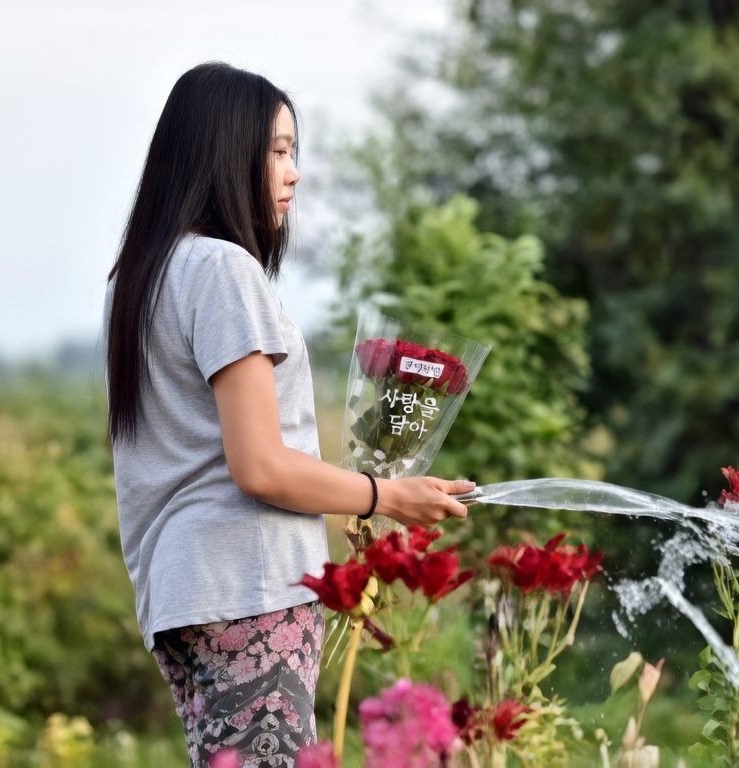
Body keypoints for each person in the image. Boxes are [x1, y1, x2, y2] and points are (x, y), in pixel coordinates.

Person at [102, 62, 473, 767]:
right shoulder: (222, 270)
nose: (293, 171)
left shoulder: (146, 276)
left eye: (292, 151)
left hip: (188, 592)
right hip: (248, 583)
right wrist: (387, 494)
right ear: (224, 153)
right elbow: (260, 466)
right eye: (276, 150)